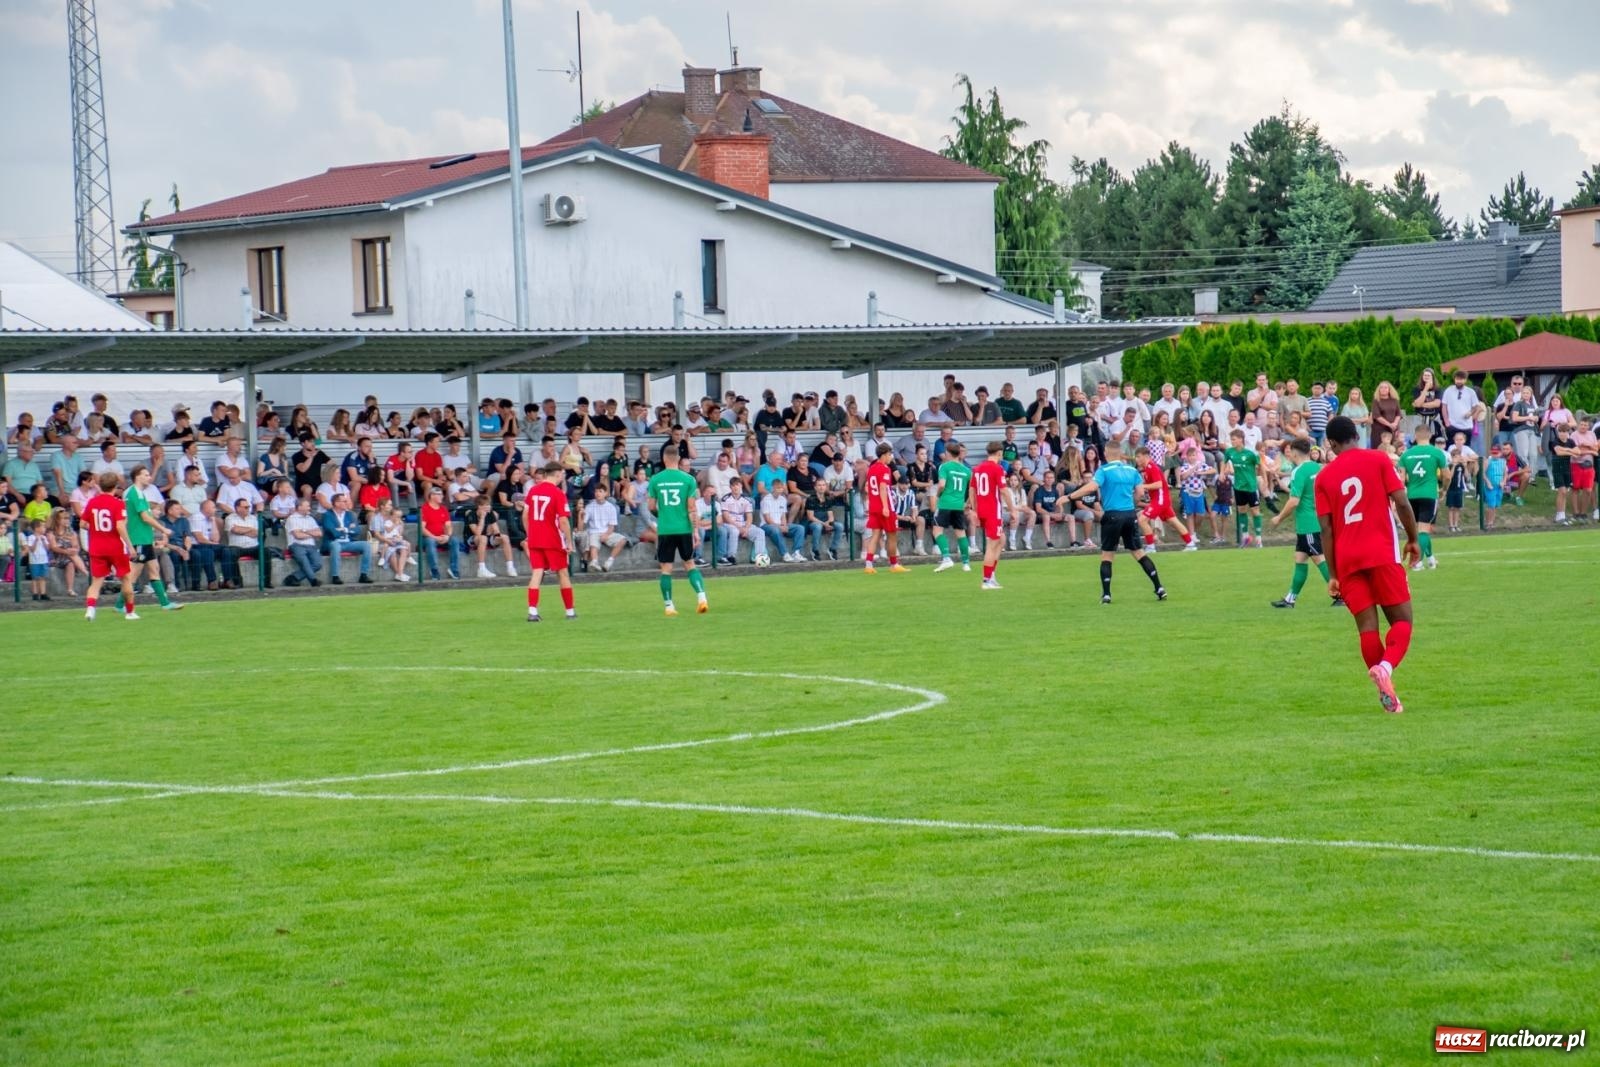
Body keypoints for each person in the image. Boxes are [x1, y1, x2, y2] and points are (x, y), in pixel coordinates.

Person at [1315, 415, 1421, 715]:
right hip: (1382, 553)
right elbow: (1401, 502)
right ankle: (1386, 668)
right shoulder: (1378, 459)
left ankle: (1387, 693)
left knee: (1367, 629)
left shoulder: (1324, 477)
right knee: (1402, 621)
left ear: (1332, 444)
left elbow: (1326, 529)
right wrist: (1414, 539)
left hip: (1347, 561)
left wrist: (1333, 574)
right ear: (1356, 436)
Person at [1065, 441, 1166, 604]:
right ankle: (1159, 587)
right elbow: (1140, 492)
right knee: (1139, 553)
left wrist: (1069, 496)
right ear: (1119, 453)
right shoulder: (1132, 470)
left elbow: (1091, 487)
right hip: (1129, 514)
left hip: (1112, 515)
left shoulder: (1104, 470)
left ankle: (1106, 594)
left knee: (1107, 555)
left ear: (1106, 452)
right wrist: (1132, 501)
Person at [1268, 437, 1338, 608]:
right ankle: (1290, 599)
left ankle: (1341, 595)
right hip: (1318, 519)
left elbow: (1294, 501)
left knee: (1319, 559)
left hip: (1308, 523)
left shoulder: (1298, 471)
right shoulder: (1318, 468)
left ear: (1293, 452)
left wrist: (1278, 517)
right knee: (1300, 558)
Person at [646, 449, 708, 615]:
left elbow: (651, 506)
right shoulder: (688, 479)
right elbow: (691, 508)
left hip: (666, 529)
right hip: (684, 529)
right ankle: (702, 598)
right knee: (690, 564)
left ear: (664, 459)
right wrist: (695, 531)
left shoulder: (655, 480)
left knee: (666, 568)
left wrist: (661, 515)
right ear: (679, 459)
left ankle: (669, 606)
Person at [122, 464, 182, 610]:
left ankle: (165, 604)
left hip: (145, 539)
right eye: (146, 475)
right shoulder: (134, 493)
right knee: (133, 575)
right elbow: (145, 517)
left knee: (154, 569)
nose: (149, 477)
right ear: (138, 477)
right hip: (139, 539)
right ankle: (121, 605)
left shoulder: (139, 493)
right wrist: (163, 529)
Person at [523, 464, 577, 622]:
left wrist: (529, 533)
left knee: (537, 572)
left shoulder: (533, 491)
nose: (563, 477)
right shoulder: (558, 493)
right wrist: (569, 541)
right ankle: (570, 611)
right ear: (558, 474)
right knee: (562, 573)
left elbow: (525, 515)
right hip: (553, 539)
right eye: (562, 474)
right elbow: (563, 520)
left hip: (535, 538)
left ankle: (532, 611)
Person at [82, 471, 138, 620]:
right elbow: (120, 526)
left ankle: (90, 609)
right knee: (126, 578)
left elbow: (82, 524)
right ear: (115, 487)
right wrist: (130, 546)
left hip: (96, 546)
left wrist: (96, 529)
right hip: (115, 547)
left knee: (96, 581)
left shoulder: (92, 502)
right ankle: (130, 612)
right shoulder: (118, 503)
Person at [1399, 432, 1447, 570]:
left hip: (1412, 495)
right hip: (1429, 494)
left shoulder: (1406, 454)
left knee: (1419, 530)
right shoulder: (1436, 452)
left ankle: (1431, 559)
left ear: (1415, 436)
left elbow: (1402, 479)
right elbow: (1447, 475)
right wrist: (1444, 489)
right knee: (1424, 530)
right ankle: (1417, 562)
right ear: (1430, 435)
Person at [1134, 444, 1196, 552]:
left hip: (1160, 499)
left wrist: (1143, 486)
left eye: (1138, 456)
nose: (1136, 459)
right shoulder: (1147, 469)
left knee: (1142, 520)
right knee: (1174, 522)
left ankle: (1150, 546)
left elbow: (1158, 484)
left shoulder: (1151, 467)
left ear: (1145, 456)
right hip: (1161, 500)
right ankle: (1190, 543)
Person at [860, 444, 906, 574]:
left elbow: (867, 487)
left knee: (875, 535)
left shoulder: (872, 468)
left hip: (873, 506)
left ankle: (868, 565)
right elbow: (882, 488)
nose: (891, 457)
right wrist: (885, 506)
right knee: (892, 536)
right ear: (884, 454)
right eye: (890, 454)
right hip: (884, 507)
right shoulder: (885, 469)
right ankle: (894, 564)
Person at [930, 441, 972, 573]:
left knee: (937, 531)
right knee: (960, 533)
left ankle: (947, 558)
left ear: (948, 453)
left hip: (945, 503)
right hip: (959, 505)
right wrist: (968, 502)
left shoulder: (944, 466)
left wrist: (938, 495)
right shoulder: (967, 470)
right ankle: (966, 564)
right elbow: (972, 490)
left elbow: (941, 484)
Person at [972, 442, 1008, 589]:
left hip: (982, 509)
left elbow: (972, 490)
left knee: (1001, 540)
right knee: (992, 545)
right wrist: (1012, 509)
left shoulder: (978, 468)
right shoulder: (997, 468)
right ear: (999, 453)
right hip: (993, 509)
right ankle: (986, 580)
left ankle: (991, 575)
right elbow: (1004, 490)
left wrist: (975, 510)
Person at [1223, 429, 1263, 547]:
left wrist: (1262, 478)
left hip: (1250, 486)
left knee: (1255, 511)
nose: (1232, 441)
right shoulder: (1230, 452)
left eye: (1234, 439)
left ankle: (1259, 539)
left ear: (1241, 439)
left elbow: (1260, 465)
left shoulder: (1250, 454)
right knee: (1241, 511)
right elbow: (1224, 461)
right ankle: (1245, 538)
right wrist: (1222, 472)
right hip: (1238, 487)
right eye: (1231, 439)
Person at [580, 481, 629, 573]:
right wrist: (581, 516)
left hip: (607, 532)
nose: (597, 493)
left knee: (623, 540)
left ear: (606, 493)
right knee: (593, 541)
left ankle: (609, 562)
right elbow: (584, 523)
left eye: (600, 491)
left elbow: (612, 526)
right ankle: (594, 562)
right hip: (593, 531)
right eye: (596, 491)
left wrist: (606, 534)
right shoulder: (590, 507)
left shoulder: (611, 507)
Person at [283, 497, 325, 587]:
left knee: (318, 564)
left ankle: (293, 577)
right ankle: (313, 581)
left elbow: (319, 533)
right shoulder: (292, 519)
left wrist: (304, 531)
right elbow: (298, 536)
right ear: (299, 507)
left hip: (311, 545)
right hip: (296, 545)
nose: (309, 508)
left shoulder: (311, 519)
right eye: (307, 506)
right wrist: (312, 534)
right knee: (304, 562)